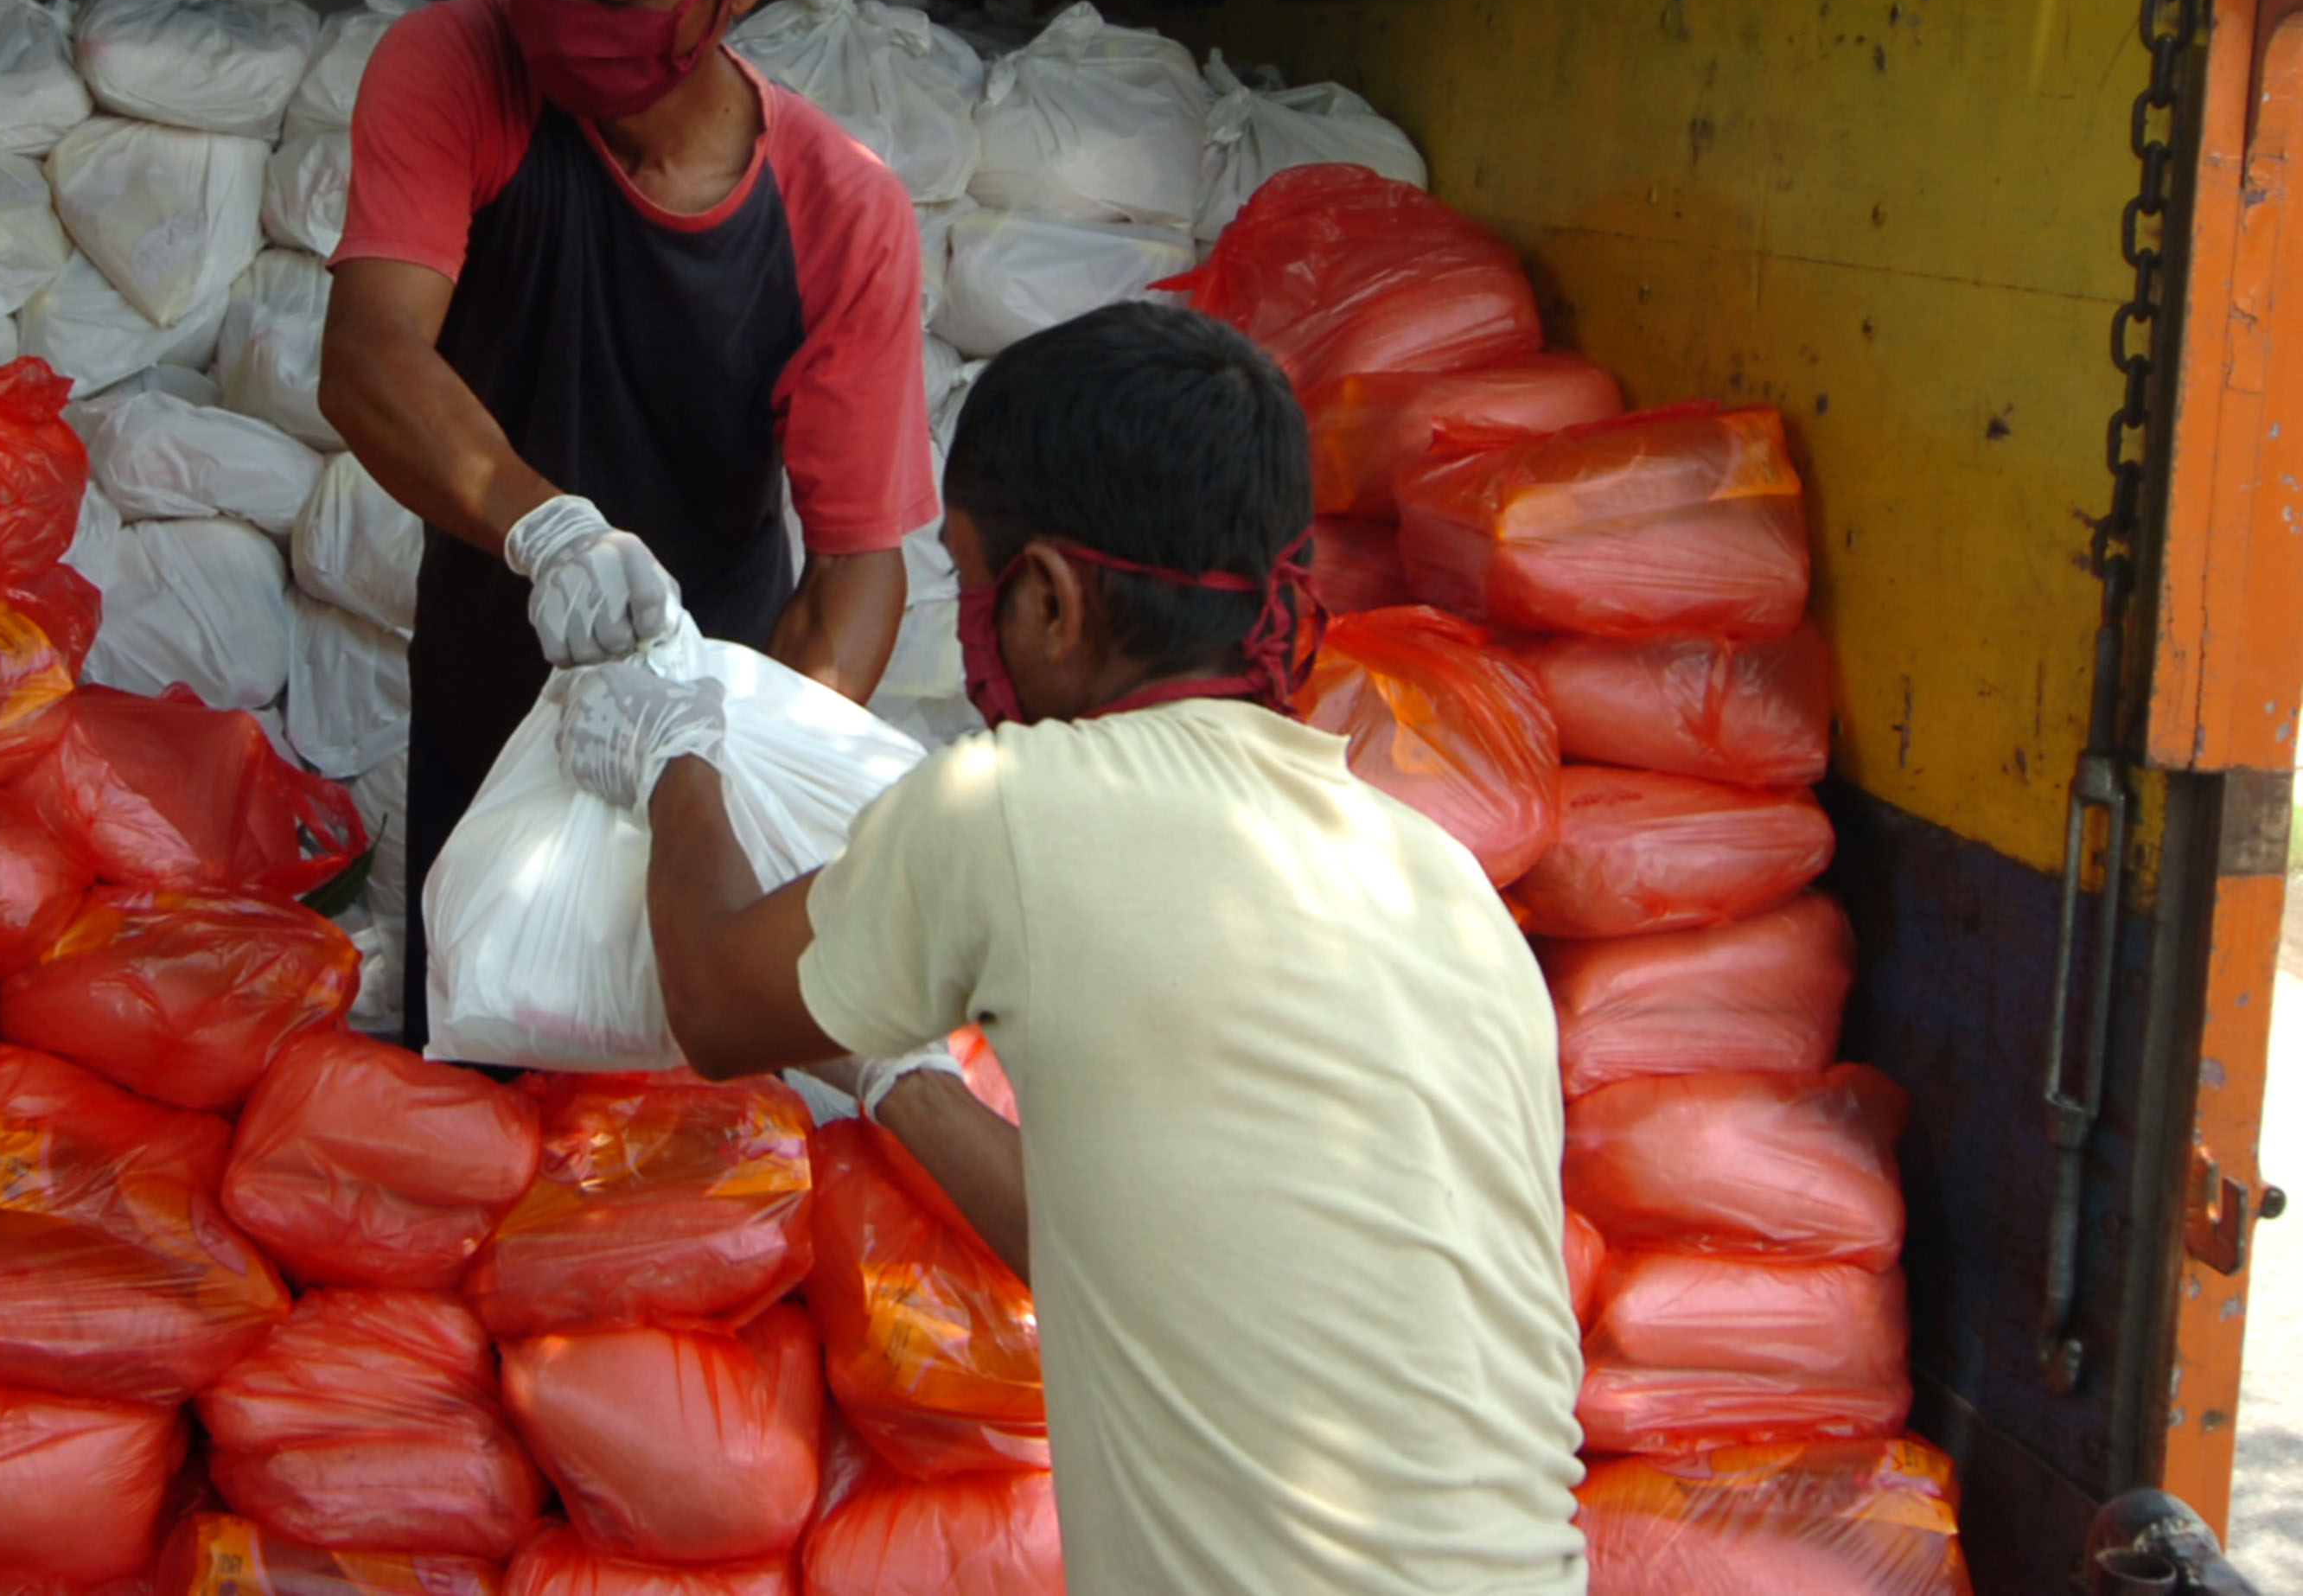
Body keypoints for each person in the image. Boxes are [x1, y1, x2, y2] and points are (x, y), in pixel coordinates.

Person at [552, 301, 1588, 1595]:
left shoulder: (1013, 808)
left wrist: (674, 757)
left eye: (975, 585)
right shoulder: (1442, 884)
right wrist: (901, 1077)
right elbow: (1129, 1255)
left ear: (1045, 597)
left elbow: (711, 997)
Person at [319, 0, 935, 1050]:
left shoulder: (840, 208)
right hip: (493, 688)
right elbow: (374, 356)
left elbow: (854, 568)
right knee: (475, 1104)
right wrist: (550, 531)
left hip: (710, 718)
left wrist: (740, 760)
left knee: (670, 1157)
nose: (559, 22)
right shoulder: (454, 68)